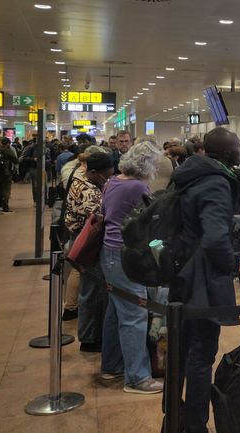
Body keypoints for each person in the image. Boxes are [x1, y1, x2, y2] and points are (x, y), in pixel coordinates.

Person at [171, 127, 240, 433]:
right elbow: (214, 239)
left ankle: (173, 418)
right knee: (201, 354)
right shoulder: (216, 182)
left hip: (182, 270)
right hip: (203, 279)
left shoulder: (189, 174)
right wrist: (231, 263)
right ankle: (196, 425)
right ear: (227, 152)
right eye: (238, 146)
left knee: (182, 352)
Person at [99, 139, 163, 394]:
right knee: (135, 314)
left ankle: (112, 365)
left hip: (109, 252)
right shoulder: (138, 186)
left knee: (116, 311)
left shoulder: (113, 181)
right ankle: (137, 377)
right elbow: (153, 219)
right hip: (126, 254)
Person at [65, 152, 115, 352]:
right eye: (105, 175)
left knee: (91, 290)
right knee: (92, 291)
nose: (107, 179)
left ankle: (90, 334)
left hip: (80, 239)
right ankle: (90, 339)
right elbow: (99, 218)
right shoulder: (88, 190)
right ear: (93, 172)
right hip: (89, 243)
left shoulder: (81, 181)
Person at [0, 137, 18, 213]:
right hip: (6, 174)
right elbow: (16, 161)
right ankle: (5, 206)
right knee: (6, 190)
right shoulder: (8, 151)